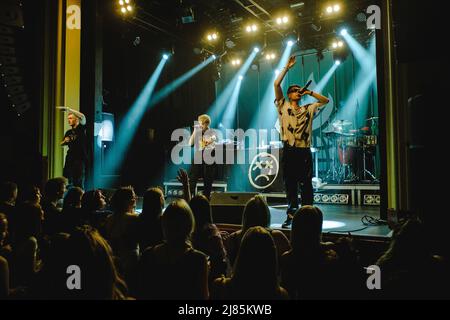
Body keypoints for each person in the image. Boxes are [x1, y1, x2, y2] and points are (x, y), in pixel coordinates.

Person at [273, 56, 330, 228]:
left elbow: (325, 101)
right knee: (290, 184)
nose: (298, 91)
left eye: (299, 90)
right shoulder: (283, 105)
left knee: (306, 184)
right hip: (289, 149)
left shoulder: (308, 108)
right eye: (295, 90)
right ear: (289, 94)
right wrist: (286, 68)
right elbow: (276, 84)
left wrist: (309, 92)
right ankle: (291, 215)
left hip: (304, 150)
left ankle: (308, 214)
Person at [58, 106, 87, 189]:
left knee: (78, 181)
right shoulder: (69, 132)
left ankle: (79, 199)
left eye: (70, 118)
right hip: (70, 159)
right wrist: (65, 141)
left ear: (76, 120)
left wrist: (68, 109)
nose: (68, 120)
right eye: (68, 118)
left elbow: (83, 116)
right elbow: (61, 143)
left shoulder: (81, 128)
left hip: (79, 159)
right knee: (68, 180)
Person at [188, 114, 217, 199]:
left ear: (206, 124)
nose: (199, 125)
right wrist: (194, 131)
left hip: (208, 158)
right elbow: (190, 143)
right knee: (192, 178)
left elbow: (204, 144)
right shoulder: (198, 131)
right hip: (198, 157)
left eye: (201, 123)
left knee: (207, 180)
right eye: (199, 123)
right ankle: (189, 198)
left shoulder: (212, 133)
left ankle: (206, 200)